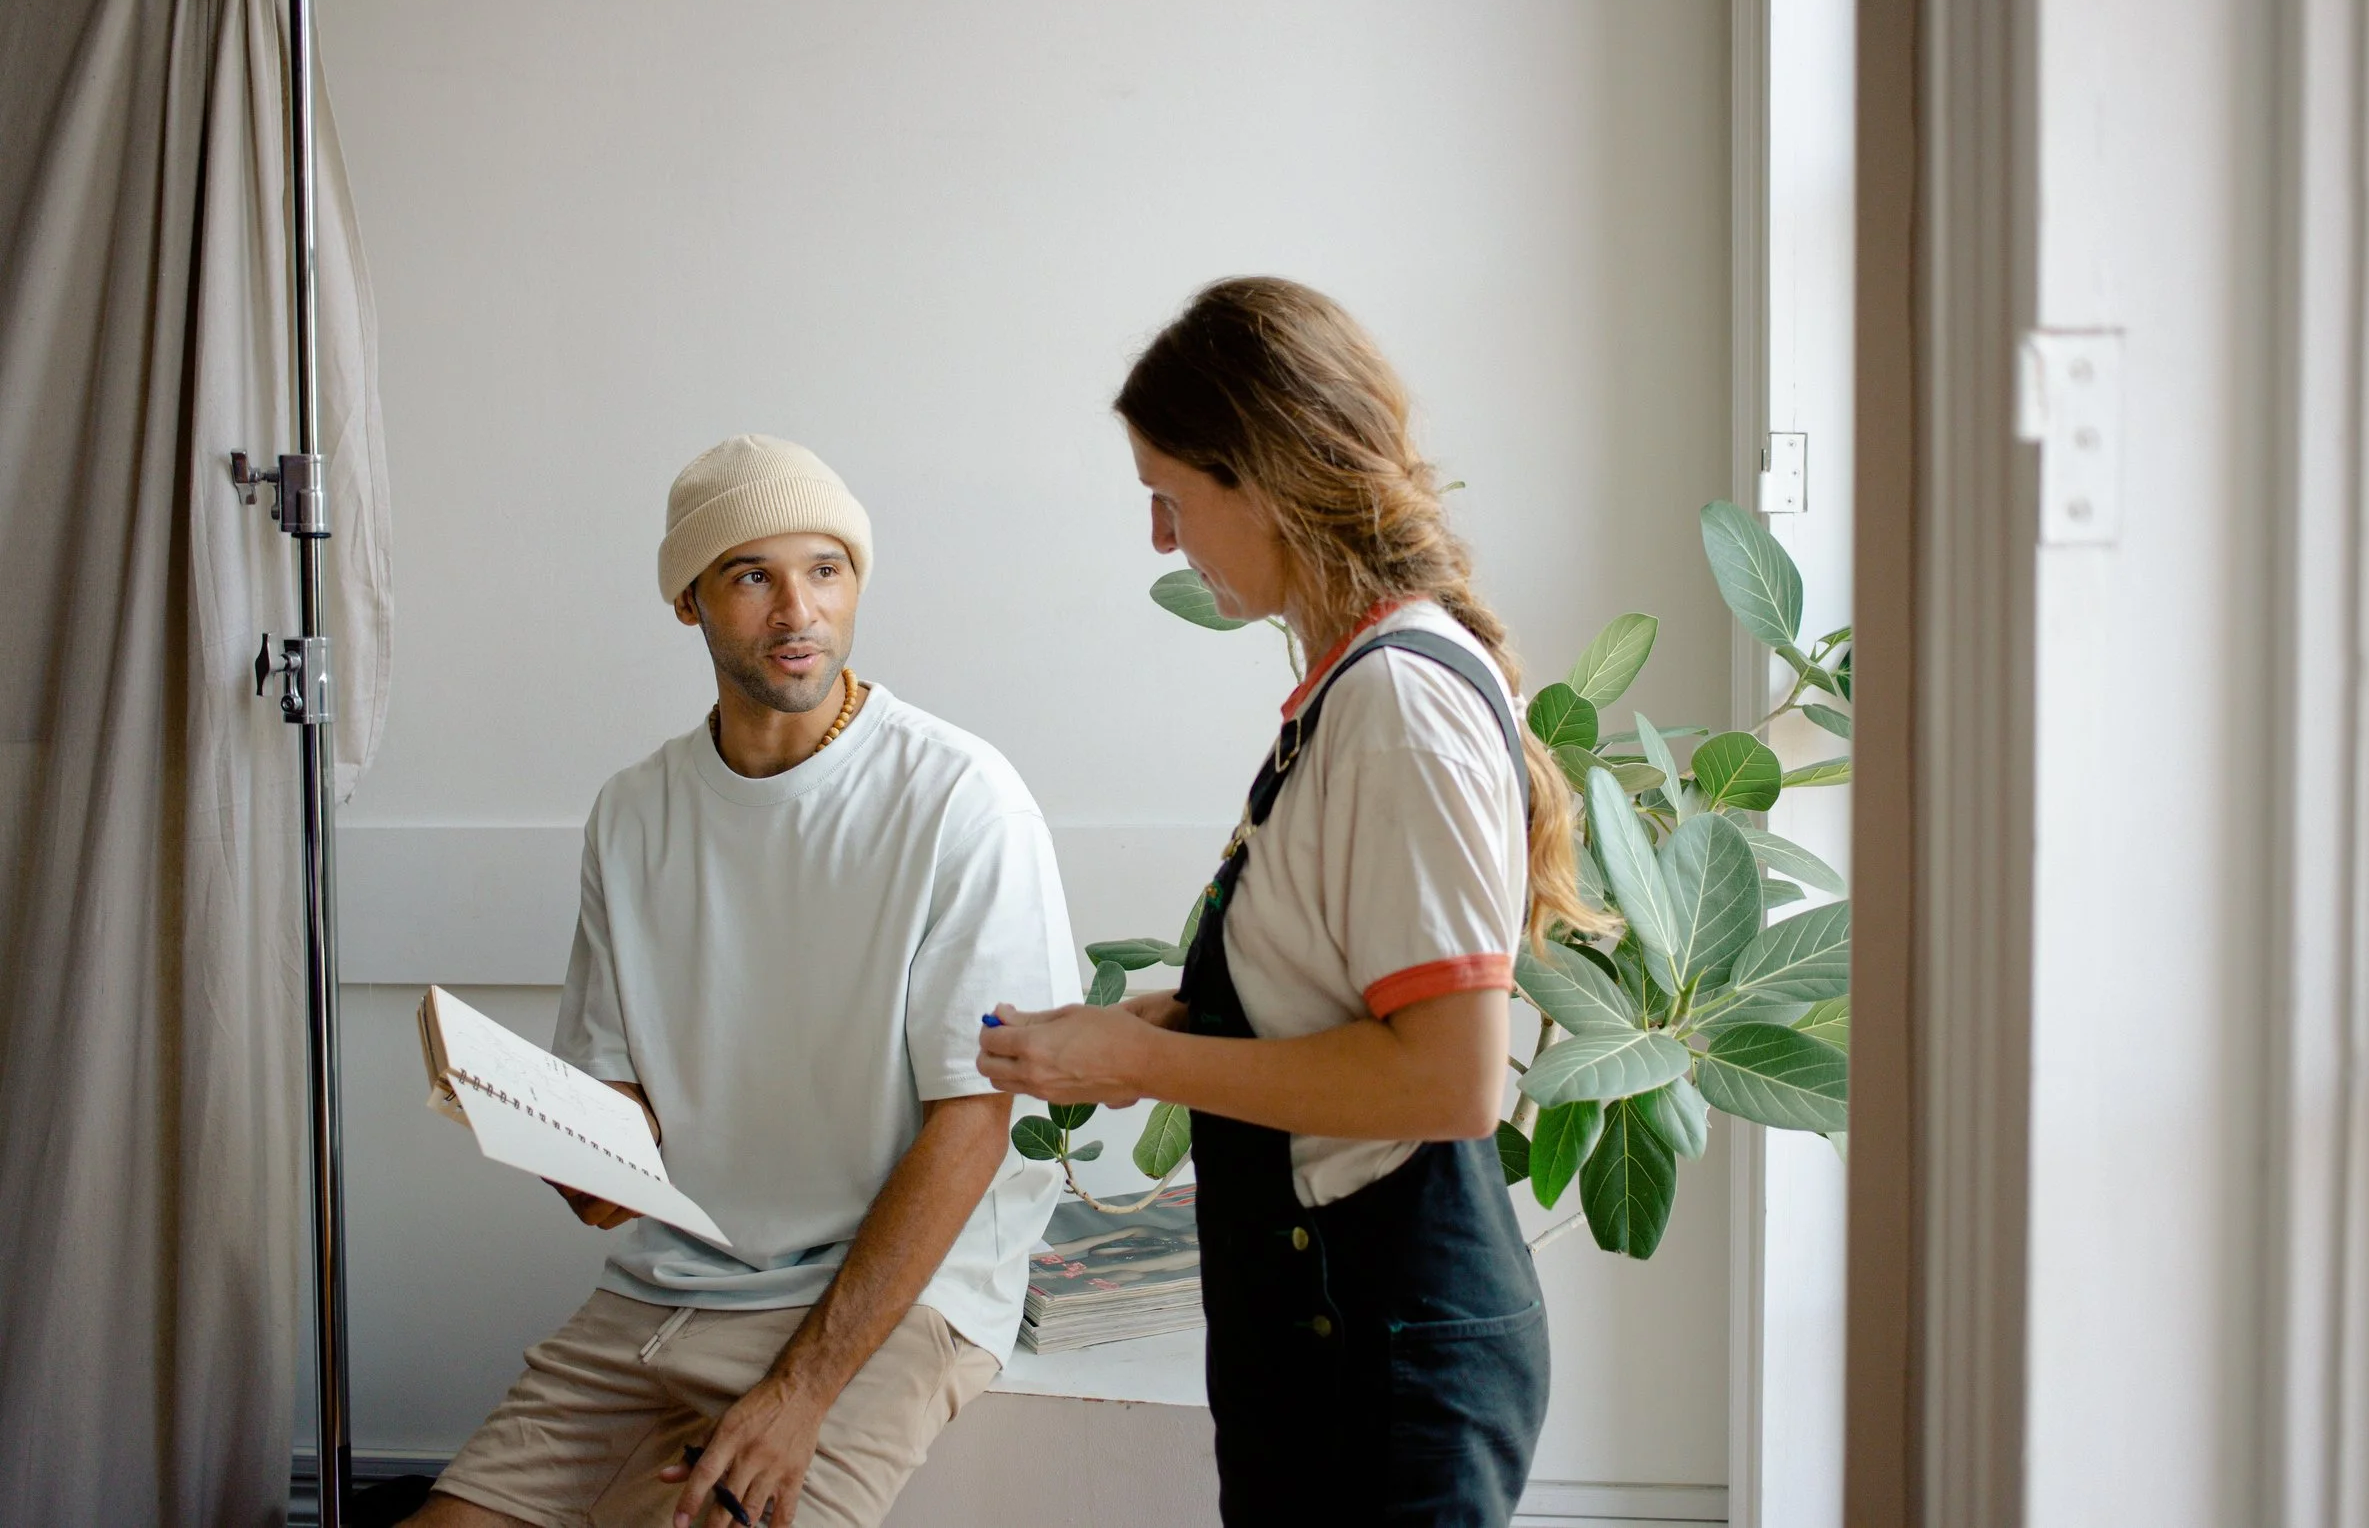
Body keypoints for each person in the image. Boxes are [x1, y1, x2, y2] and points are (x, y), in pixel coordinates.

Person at [978, 278, 1590, 1526]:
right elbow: (1340, 993)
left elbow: (1449, 1081)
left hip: (1377, 1352)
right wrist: (1173, 1022)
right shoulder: (1359, 688)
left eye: (1171, 494)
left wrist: (1140, 1061)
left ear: (1262, 477)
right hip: (1338, 1339)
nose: (1162, 537)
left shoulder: (1395, 707)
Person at [415, 435, 1082, 1528]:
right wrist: (576, 1152)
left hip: (888, 1302)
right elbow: (619, 1109)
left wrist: (801, 1391)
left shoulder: (961, 797)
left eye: (826, 568)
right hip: (668, 1285)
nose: (797, 610)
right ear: (688, 599)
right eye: (751, 575)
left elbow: (974, 1123)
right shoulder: (634, 812)